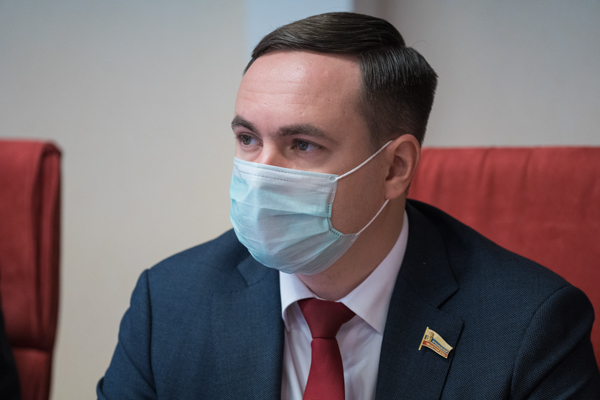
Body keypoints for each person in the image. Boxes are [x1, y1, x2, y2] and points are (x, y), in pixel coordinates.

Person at [97, 12, 600, 399]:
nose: (261, 173)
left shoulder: (530, 327)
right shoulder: (169, 304)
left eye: (302, 145)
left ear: (395, 167)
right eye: (248, 139)